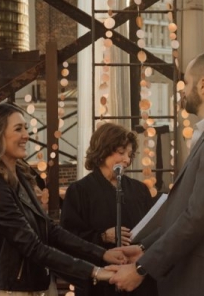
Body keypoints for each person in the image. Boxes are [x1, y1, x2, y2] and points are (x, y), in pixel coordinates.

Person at [107, 50, 204, 296]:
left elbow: (196, 217)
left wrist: (141, 269)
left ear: (203, 84)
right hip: (196, 278)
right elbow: (186, 210)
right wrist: (145, 247)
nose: (183, 90)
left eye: (186, 82)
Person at [0, 102, 127, 296]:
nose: (26, 135)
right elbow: (32, 247)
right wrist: (95, 271)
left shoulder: (20, 175)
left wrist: (102, 253)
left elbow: (50, 229)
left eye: (25, 128)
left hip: (38, 286)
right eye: (18, 129)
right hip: (12, 291)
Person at [60, 122, 158, 296]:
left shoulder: (139, 190)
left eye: (129, 154)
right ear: (103, 150)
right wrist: (103, 236)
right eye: (121, 153)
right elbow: (69, 238)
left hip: (138, 280)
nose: (127, 160)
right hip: (101, 282)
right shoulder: (80, 191)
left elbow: (153, 229)